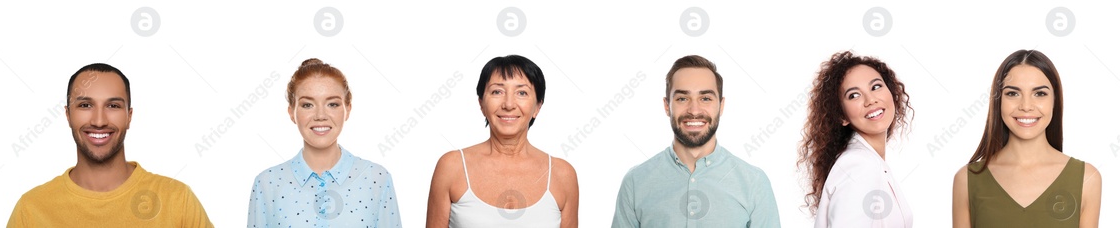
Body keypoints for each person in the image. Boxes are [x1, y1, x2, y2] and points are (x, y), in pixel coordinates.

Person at [7, 63, 212, 227]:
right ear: (68, 115)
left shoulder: (178, 201)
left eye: (113, 106)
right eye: (85, 105)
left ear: (129, 116)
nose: (98, 121)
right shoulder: (32, 209)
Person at [612, 55, 780, 227]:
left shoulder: (754, 183)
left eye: (705, 98)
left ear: (721, 106)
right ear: (666, 106)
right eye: (682, 99)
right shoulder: (635, 182)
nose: (694, 110)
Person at [951, 49, 1101, 228]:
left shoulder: (1086, 178)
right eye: (1013, 93)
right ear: (998, 101)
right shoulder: (967, 180)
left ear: (1055, 100)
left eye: (1040, 94)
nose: (1026, 106)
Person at [428, 55, 580, 227]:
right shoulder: (451, 167)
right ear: (481, 104)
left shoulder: (562, 175)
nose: (508, 104)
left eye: (521, 92)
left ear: (537, 106)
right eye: (497, 92)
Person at [248, 58, 402, 227]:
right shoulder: (267, 184)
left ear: (347, 109)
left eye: (332, 104)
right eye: (307, 105)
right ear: (291, 112)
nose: (320, 115)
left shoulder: (377, 179)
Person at [800, 51, 915, 227]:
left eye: (876, 87)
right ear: (842, 116)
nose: (870, 100)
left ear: (891, 93)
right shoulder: (860, 165)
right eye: (854, 95)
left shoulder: (868, 161)